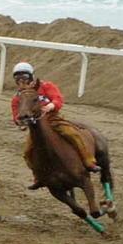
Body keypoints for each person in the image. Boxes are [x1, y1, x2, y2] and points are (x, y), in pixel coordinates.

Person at [10, 61, 100, 189]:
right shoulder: (17, 98)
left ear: (31, 76)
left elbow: (58, 98)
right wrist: (20, 122)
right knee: (27, 152)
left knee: (74, 135)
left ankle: (89, 162)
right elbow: (16, 115)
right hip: (37, 127)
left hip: (54, 120)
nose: (21, 81)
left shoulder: (46, 86)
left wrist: (51, 105)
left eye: (24, 77)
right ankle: (38, 176)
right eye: (17, 78)